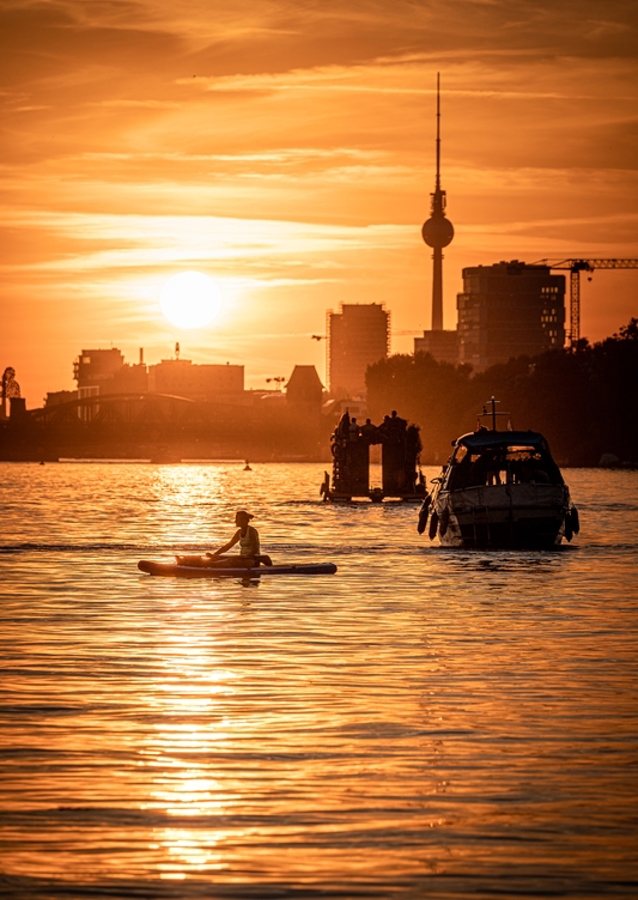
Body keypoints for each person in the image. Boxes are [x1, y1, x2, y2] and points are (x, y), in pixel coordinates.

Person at [176, 510, 272, 568]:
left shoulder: (252, 531)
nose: (235, 521)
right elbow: (228, 546)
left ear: (243, 520)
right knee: (216, 558)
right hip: (243, 559)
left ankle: (194, 564)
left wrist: (246, 557)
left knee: (228, 561)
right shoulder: (239, 532)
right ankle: (185, 561)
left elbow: (255, 547)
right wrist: (216, 554)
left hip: (252, 561)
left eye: (237, 519)